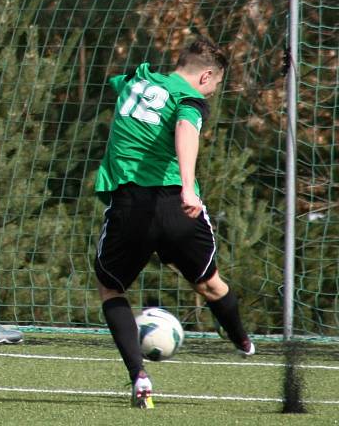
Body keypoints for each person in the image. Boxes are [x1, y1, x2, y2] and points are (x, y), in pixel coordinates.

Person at [93, 36, 254, 409]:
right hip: (176, 206)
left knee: (111, 289)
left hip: (130, 205)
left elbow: (116, 81)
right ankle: (243, 341)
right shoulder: (190, 100)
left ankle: (139, 376)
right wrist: (187, 187)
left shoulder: (136, 80)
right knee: (211, 286)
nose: (212, 93)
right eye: (215, 85)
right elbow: (186, 128)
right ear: (206, 76)